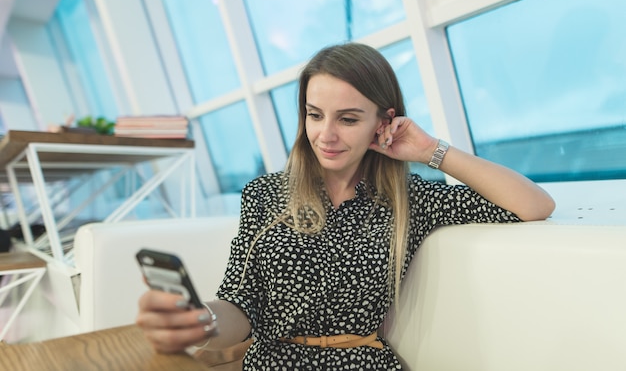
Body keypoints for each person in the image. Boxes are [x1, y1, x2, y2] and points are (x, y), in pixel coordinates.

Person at [136, 42, 555, 370]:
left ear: (384, 121)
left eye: (349, 119)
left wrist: (429, 150)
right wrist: (200, 323)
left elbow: (533, 205)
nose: (326, 135)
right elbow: (239, 304)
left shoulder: (409, 200)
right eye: (315, 115)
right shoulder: (264, 194)